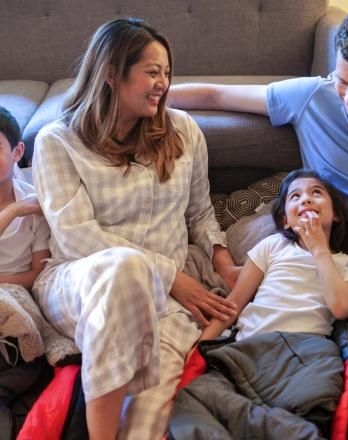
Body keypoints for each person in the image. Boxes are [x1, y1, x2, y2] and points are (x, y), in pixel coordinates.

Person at [31, 18, 239, 440]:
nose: (163, 83)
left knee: (145, 421)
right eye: (151, 72)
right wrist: (169, 277)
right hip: (79, 283)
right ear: (111, 73)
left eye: (166, 72)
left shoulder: (184, 133)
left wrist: (226, 264)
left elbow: (199, 213)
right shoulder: (57, 142)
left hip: (167, 305)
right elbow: (75, 237)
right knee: (125, 268)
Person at [168, 2, 348, 266]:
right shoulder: (311, 97)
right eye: (343, 81)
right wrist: (146, 97)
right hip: (344, 266)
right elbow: (215, 95)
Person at [170, 169, 348, 438]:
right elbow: (234, 304)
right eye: (295, 196)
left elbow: (342, 308)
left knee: (316, 402)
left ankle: (265, 423)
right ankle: (275, 426)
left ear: (335, 215)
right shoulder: (272, 246)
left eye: (316, 193)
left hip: (305, 354)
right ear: (286, 221)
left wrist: (320, 250)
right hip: (250, 347)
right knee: (191, 398)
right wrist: (199, 348)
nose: (306, 200)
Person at [0, 106, 50, 290]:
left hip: (18, 294)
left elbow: (39, 273)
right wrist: (13, 211)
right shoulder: (21, 207)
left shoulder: (33, 203)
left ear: (18, 152)